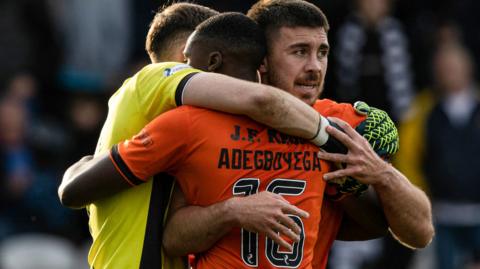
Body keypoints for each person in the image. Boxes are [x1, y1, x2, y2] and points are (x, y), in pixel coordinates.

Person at [60, 1, 433, 268]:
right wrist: (233, 212)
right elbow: (171, 236)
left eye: (322, 52)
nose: (314, 67)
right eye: (299, 52)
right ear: (263, 62)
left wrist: (378, 175)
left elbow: (412, 231)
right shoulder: (194, 120)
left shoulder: (340, 120)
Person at [396, 37, 480, 269]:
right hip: (441, 216)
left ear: (468, 67)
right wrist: (420, 199)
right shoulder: (422, 110)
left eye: (454, 66)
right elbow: (406, 159)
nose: (449, 72)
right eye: (443, 68)